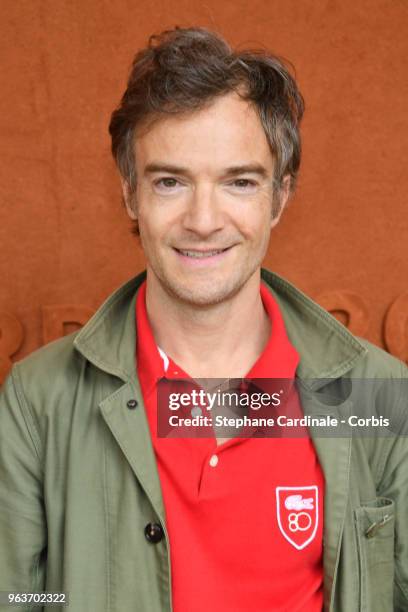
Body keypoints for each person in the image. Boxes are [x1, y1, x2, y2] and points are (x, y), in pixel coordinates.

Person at [0, 26, 407, 612]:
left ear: (280, 196)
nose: (203, 219)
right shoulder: (36, 402)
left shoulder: (381, 398)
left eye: (239, 182)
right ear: (129, 194)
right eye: (170, 182)